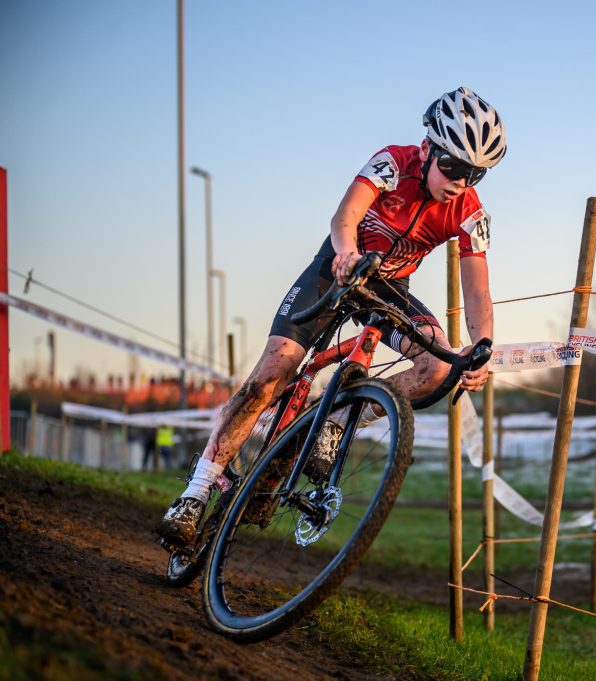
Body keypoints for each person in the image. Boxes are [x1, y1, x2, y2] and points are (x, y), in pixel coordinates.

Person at [157, 87, 506, 547]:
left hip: (386, 288)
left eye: (474, 174)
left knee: (438, 367)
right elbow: (345, 217)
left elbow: (477, 288)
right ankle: (196, 491)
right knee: (271, 375)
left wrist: (482, 347)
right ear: (427, 149)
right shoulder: (392, 162)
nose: (461, 182)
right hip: (336, 269)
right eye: (452, 166)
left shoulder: (470, 212)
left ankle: (336, 419)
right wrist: (346, 254)